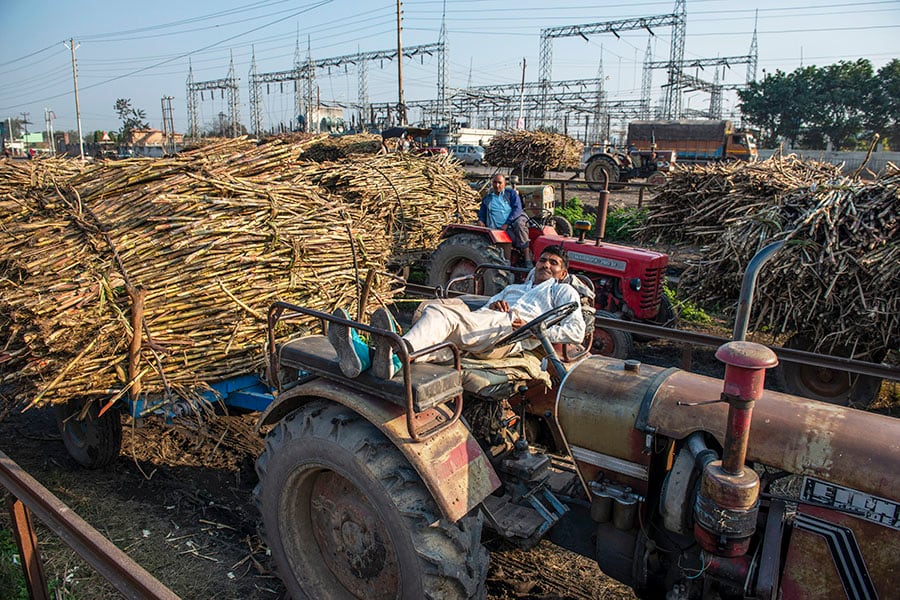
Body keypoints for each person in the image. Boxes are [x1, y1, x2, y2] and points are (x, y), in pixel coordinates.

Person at [329, 245, 585, 380]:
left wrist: (533, 327)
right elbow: (485, 309)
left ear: (563, 273)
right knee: (438, 327)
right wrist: (494, 304)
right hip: (488, 323)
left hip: (509, 334)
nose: (546, 265)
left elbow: (576, 331)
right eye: (543, 260)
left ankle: (397, 347)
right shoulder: (514, 288)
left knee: (442, 315)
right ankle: (369, 357)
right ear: (536, 262)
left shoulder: (561, 293)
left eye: (554, 263)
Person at [477, 174, 532, 267]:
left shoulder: (510, 194)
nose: (497, 185)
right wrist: (481, 221)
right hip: (499, 228)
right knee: (506, 240)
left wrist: (507, 223)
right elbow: (482, 214)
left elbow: (517, 209)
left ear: (504, 184)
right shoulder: (488, 199)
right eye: (495, 182)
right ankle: (508, 266)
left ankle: (527, 257)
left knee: (519, 224)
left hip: (514, 221)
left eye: (500, 183)